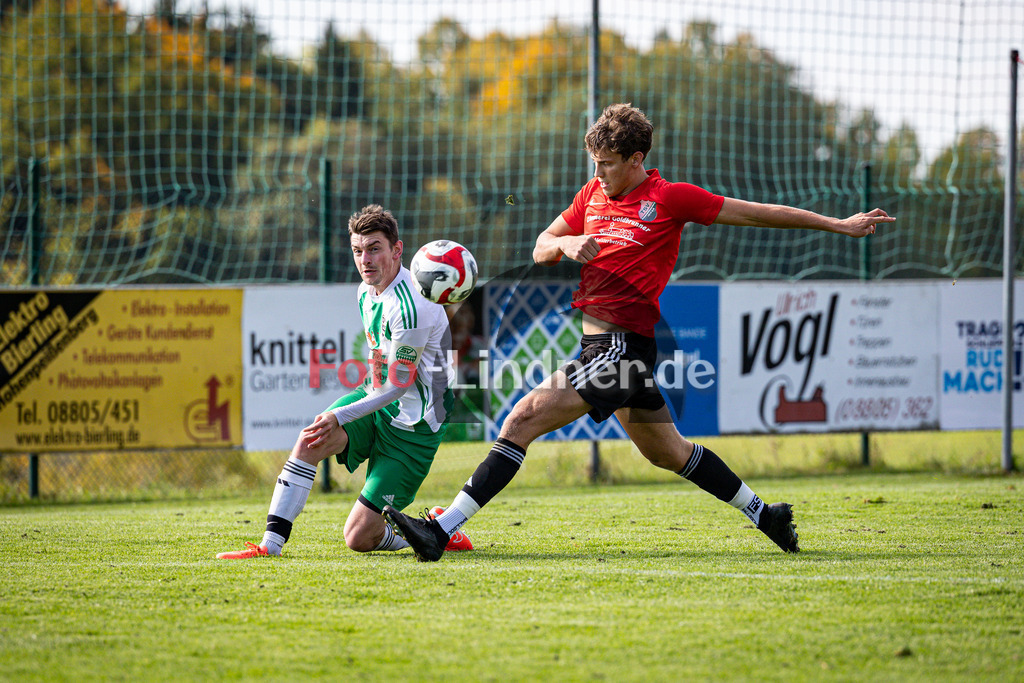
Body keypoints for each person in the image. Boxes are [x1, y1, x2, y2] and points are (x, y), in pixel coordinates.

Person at [384, 103, 896, 561]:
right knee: (668, 452)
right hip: (602, 348)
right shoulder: (592, 194)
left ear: (637, 158)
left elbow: (757, 215)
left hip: (621, 349)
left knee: (520, 420)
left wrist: (838, 224)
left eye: (608, 163)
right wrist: (567, 244)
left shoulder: (670, 198)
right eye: (595, 163)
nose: (599, 173)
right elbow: (542, 243)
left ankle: (440, 531)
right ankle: (767, 515)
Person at [217, 204, 472, 559]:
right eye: (357, 250)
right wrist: (345, 411)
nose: (365, 259)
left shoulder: (413, 306)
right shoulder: (364, 292)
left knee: (357, 538)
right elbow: (380, 370)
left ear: (397, 251)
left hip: (415, 426)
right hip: (379, 401)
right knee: (311, 437)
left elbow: (398, 386)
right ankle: (268, 546)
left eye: (374, 248)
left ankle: (436, 531)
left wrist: (341, 415)